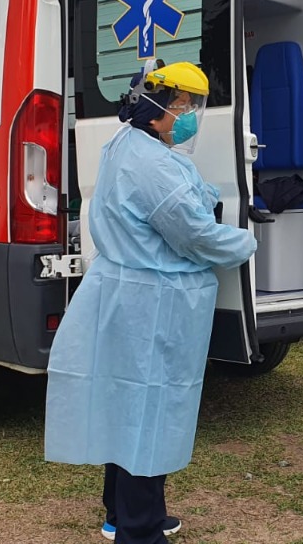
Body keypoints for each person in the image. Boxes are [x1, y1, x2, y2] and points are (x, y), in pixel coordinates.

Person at [45, 62, 258, 544]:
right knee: (150, 411)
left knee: (127, 406)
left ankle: (122, 514)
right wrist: (245, 243)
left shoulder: (130, 144)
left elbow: (188, 196)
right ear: (157, 106)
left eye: (192, 107)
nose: (189, 116)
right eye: (184, 106)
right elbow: (194, 233)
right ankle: (139, 530)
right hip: (154, 304)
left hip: (130, 295)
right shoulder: (152, 163)